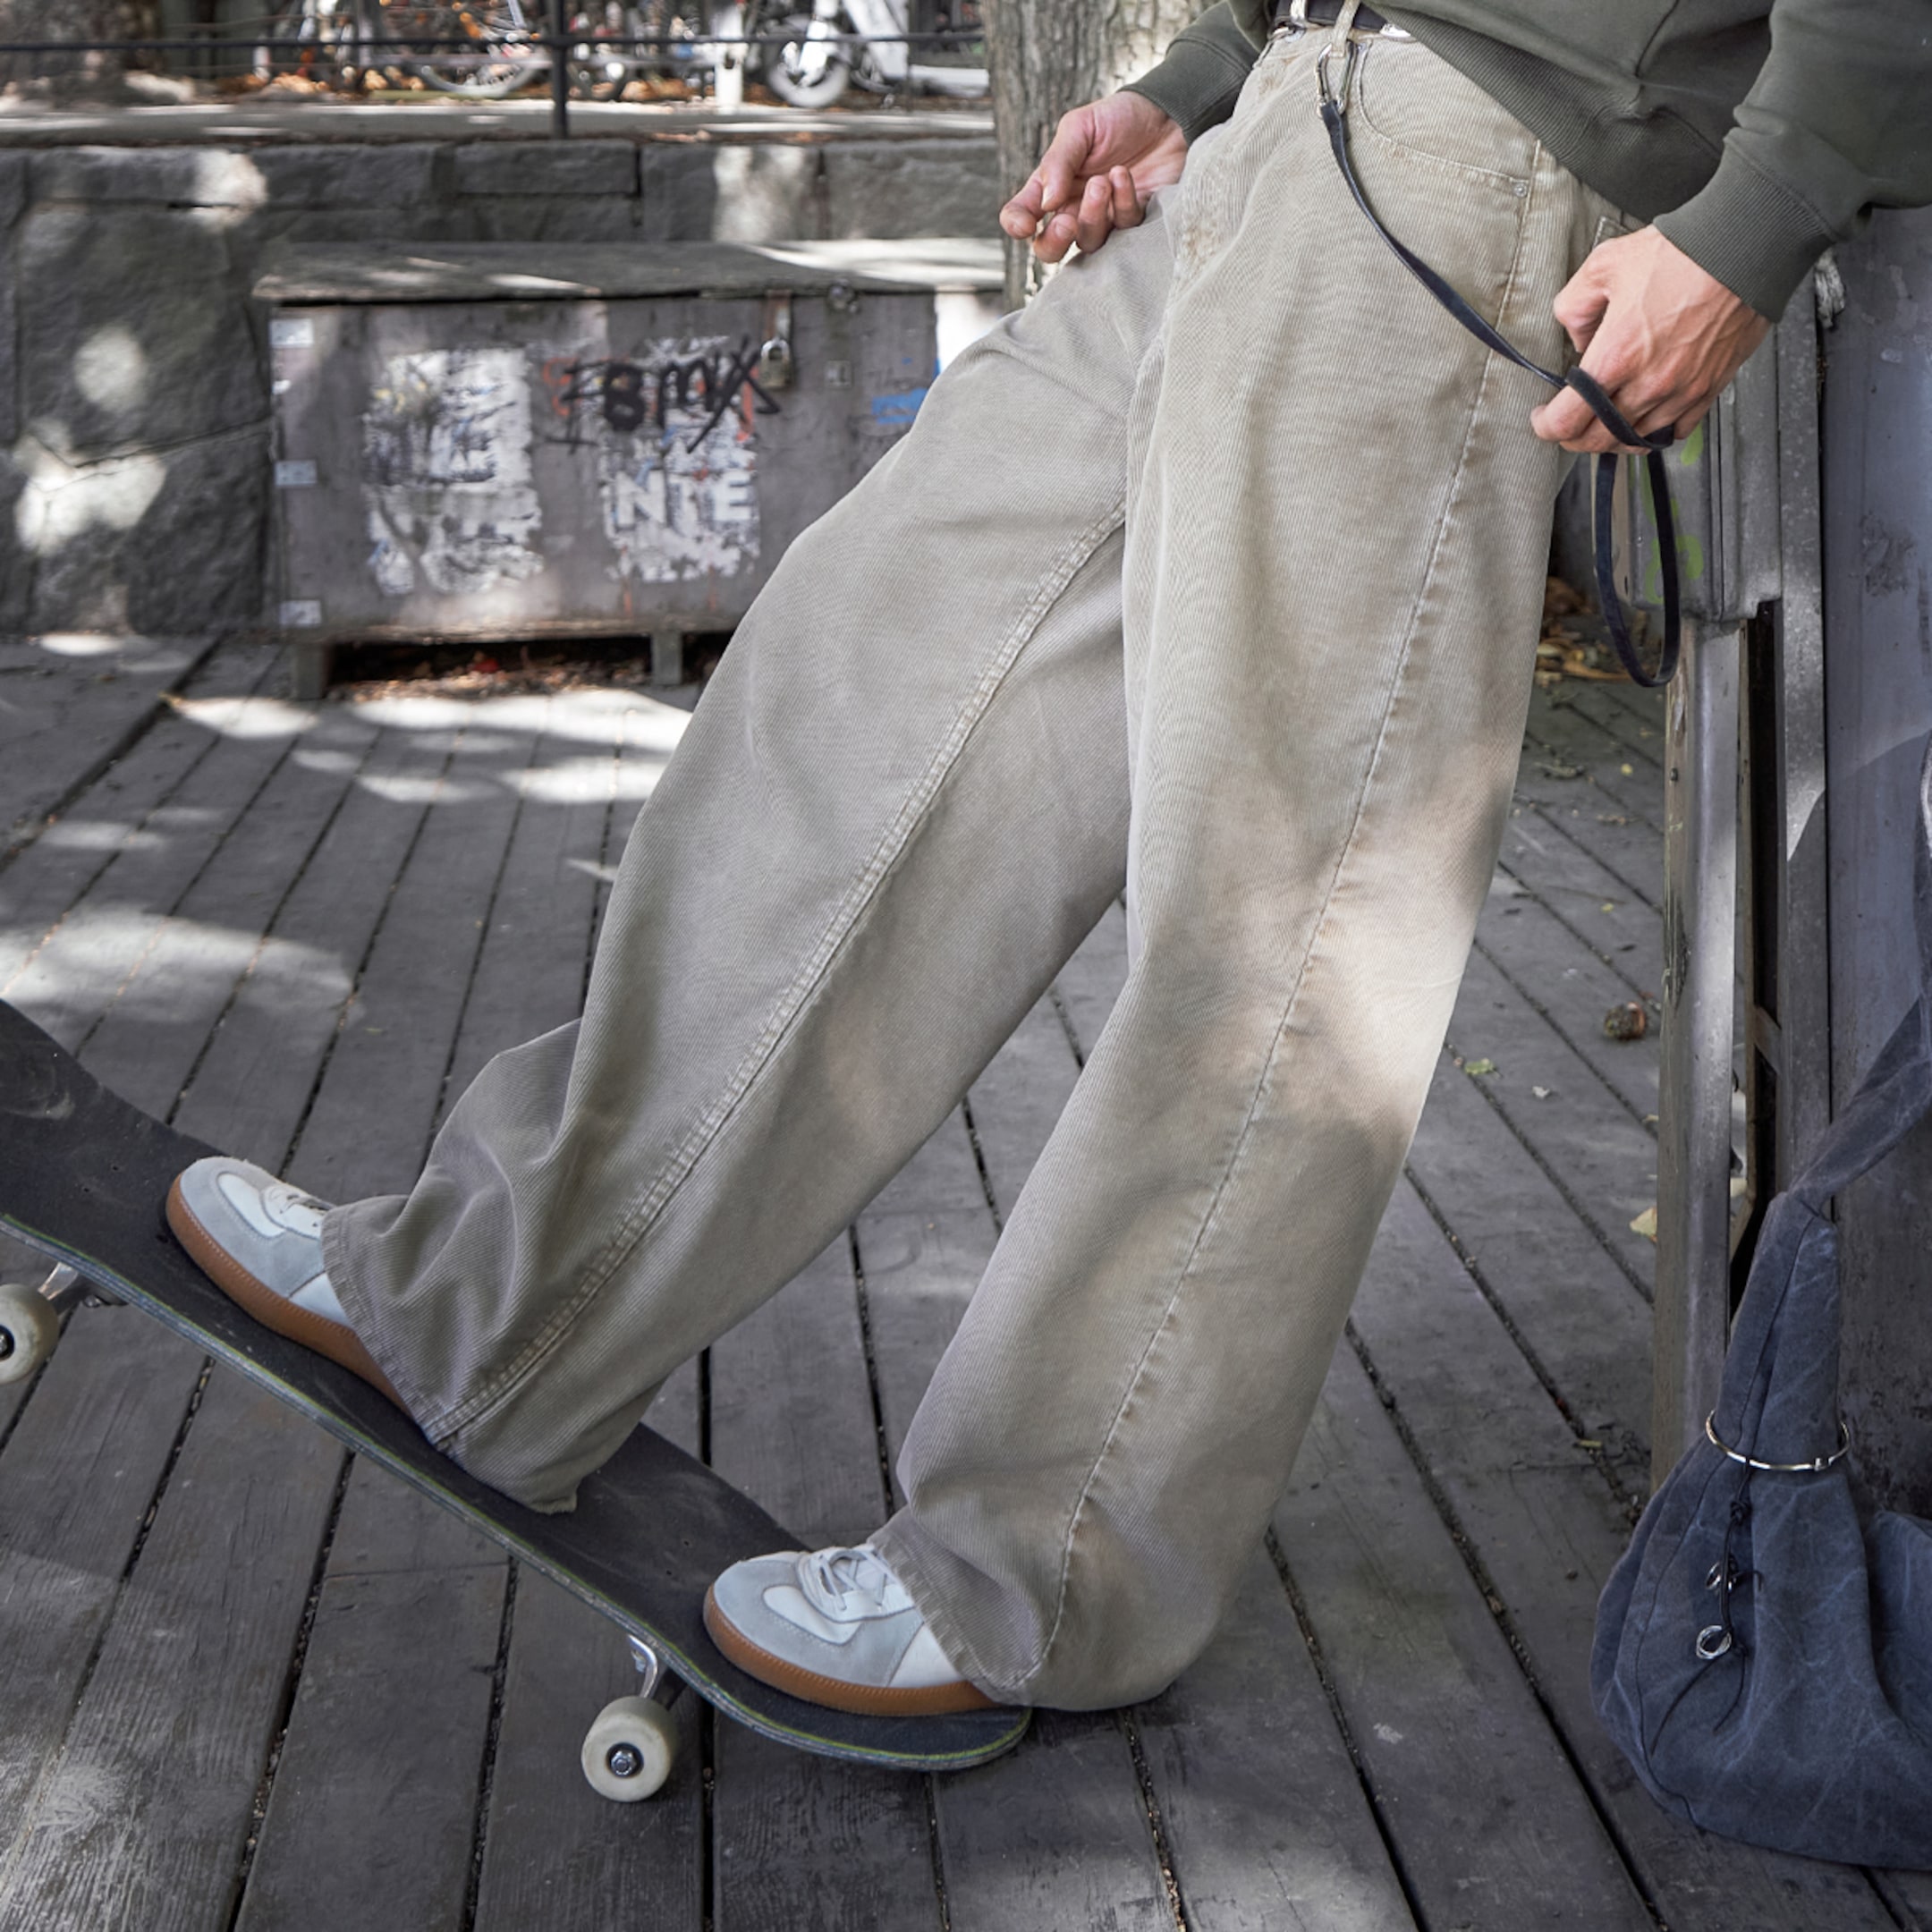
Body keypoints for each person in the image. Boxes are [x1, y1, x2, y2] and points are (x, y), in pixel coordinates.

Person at [166, 0, 1931, 1720]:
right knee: (866, 674)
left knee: (1278, 903)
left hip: (1498, 157)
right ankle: (493, 1316)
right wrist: (1210, 76)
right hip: (1307, 121)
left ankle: (1039, 1572)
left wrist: (1759, 209)